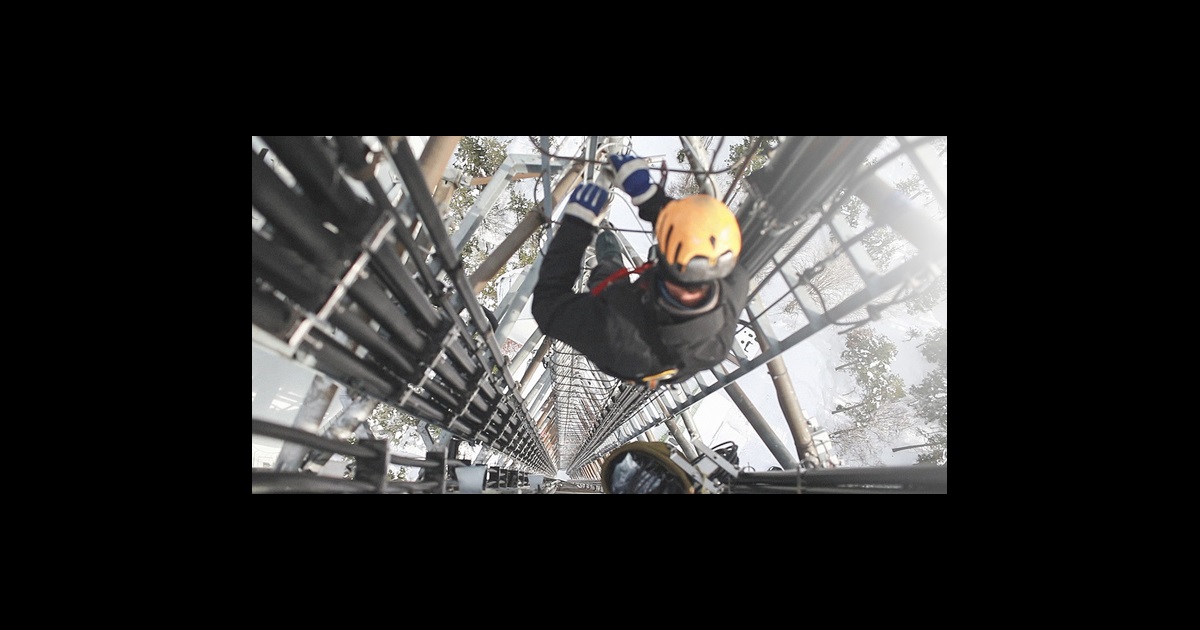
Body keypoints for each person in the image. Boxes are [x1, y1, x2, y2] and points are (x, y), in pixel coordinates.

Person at [532, 153, 750, 388]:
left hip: (633, 348)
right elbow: (692, 240)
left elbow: (547, 306)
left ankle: (609, 258)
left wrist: (576, 227)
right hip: (663, 331)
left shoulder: (616, 332)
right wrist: (648, 196)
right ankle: (609, 257)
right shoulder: (733, 279)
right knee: (610, 274)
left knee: (606, 276)